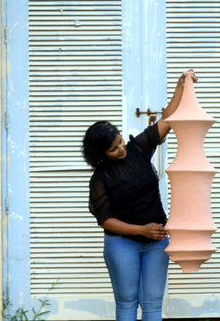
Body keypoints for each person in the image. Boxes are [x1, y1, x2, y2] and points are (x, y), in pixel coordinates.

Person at [82, 70, 198, 321]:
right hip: (122, 244)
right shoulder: (100, 179)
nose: (121, 149)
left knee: (153, 304)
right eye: (113, 149)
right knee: (126, 305)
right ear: (101, 154)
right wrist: (142, 230)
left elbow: (168, 119)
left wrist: (181, 85)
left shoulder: (137, 149)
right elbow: (106, 221)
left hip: (157, 240)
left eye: (120, 141)